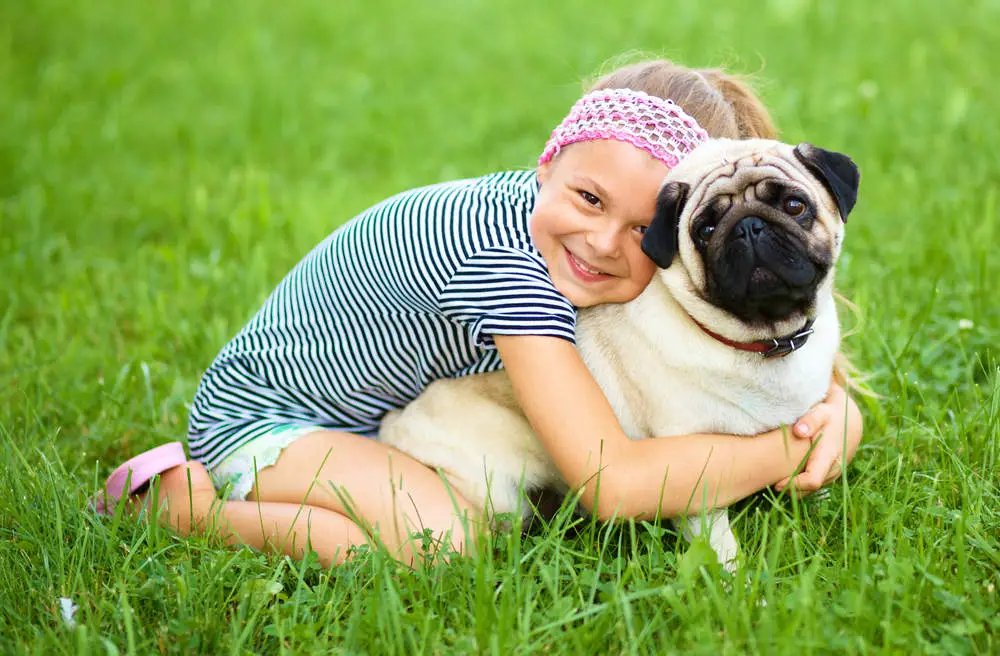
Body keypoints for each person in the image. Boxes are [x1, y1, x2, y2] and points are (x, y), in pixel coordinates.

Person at [95, 58, 864, 568]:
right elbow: (613, 485)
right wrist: (782, 454)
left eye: (640, 230)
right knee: (442, 545)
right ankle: (179, 502)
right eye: (590, 200)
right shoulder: (510, 269)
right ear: (550, 164)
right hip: (273, 424)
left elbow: (768, 353)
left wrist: (836, 412)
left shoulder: (568, 228)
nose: (602, 241)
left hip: (389, 419)